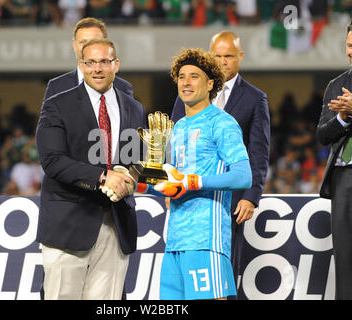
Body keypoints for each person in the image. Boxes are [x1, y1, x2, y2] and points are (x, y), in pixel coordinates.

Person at [35, 38, 146, 300]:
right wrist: (103, 176)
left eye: (104, 62)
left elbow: (137, 158)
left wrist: (130, 177)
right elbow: (52, 160)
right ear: (81, 65)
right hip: (69, 225)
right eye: (91, 62)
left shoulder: (134, 107)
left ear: (115, 65)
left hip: (116, 224)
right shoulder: (57, 104)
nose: (97, 68)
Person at [138, 48, 252, 300]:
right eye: (181, 76)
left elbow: (244, 176)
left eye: (194, 76)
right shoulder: (178, 126)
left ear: (211, 83)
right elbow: (169, 182)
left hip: (206, 239)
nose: (186, 82)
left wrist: (194, 182)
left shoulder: (221, 122)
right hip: (175, 241)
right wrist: (135, 180)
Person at [170, 31, 270, 292]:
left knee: (224, 275)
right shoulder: (186, 100)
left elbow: (258, 151)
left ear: (240, 57)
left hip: (227, 202)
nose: (223, 61)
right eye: (218, 56)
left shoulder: (253, 98)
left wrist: (251, 195)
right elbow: (175, 149)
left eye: (228, 56)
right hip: (183, 212)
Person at [316, 22, 352, 300]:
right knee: (345, 255)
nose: (351, 52)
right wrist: (342, 117)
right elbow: (322, 135)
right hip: (342, 179)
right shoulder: (336, 85)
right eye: (349, 46)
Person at [43, 17, 133, 100]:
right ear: (74, 45)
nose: (88, 47)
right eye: (83, 42)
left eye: (94, 41)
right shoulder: (56, 87)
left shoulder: (122, 87)